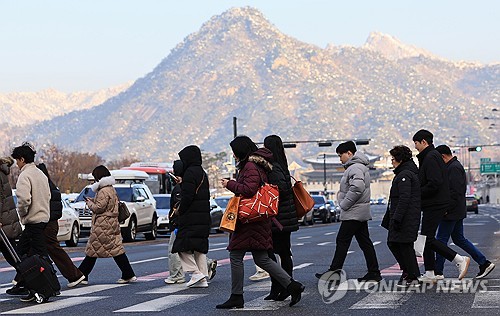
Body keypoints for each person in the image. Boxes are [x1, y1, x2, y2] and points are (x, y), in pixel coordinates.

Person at [216, 136, 304, 309]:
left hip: (249, 219)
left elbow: (249, 189)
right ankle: (293, 285)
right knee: (262, 258)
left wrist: (230, 184)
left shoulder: (249, 166)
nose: (233, 155)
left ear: (240, 151)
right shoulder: (259, 164)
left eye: (234, 151)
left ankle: (236, 296)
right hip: (259, 219)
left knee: (236, 255)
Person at [315, 141, 381, 283]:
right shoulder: (358, 167)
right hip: (359, 211)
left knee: (342, 241)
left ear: (349, 153)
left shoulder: (355, 167)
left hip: (354, 212)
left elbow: (357, 187)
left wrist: (344, 204)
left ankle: (334, 272)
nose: (340, 159)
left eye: (341, 155)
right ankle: (374, 272)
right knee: (365, 242)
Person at [412, 130, 470, 282]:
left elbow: (434, 182)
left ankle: (458, 259)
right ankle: (431, 272)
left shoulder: (431, 157)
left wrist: (417, 192)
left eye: (416, 144)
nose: (416, 147)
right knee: (426, 238)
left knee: (428, 239)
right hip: (432, 203)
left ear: (424, 142)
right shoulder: (430, 156)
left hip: (435, 203)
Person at [434, 145, 495, 279]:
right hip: (455, 210)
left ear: (443, 156)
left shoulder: (453, 168)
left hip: (451, 212)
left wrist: (445, 209)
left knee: (440, 241)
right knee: (458, 239)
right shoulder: (454, 166)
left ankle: (437, 271)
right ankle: (483, 263)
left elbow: (455, 192)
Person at [7, 142, 51, 301]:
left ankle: (44, 287)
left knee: (34, 256)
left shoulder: (25, 176)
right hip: (43, 219)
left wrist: (22, 214)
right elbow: (48, 196)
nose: (17, 164)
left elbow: (24, 199)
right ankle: (25, 283)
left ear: (22, 159)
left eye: (17, 161)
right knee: (22, 254)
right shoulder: (41, 174)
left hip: (32, 221)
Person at [78, 165, 136, 284]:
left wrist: (90, 204)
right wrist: (93, 200)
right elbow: (106, 205)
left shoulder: (103, 190)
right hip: (110, 223)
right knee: (115, 250)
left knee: (93, 250)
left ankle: (82, 274)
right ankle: (128, 273)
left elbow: (99, 208)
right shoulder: (110, 189)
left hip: (103, 224)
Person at [164, 159, 217, 285]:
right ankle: (202, 278)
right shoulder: (202, 174)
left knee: (180, 247)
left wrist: (177, 216)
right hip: (203, 219)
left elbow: (186, 199)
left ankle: (192, 273)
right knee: (199, 249)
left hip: (190, 219)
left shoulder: (188, 177)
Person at [37, 163, 86, 288]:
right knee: (41, 250)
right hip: (52, 223)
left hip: (46, 224)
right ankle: (22, 280)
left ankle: (74, 275)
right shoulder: (52, 187)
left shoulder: (44, 189)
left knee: (51, 250)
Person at [263, 135, 299, 300]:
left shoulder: (274, 167)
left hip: (280, 218)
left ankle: (284, 287)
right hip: (285, 216)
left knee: (277, 254)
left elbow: (283, 189)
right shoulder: (281, 165)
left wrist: (268, 189)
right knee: (281, 253)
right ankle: (281, 287)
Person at [384, 146, 421, 287]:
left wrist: (397, 218)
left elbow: (404, 199)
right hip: (405, 216)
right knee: (399, 244)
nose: (392, 162)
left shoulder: (405, 175)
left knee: (402, 245)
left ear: (400, 159)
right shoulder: (406, 173)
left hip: (406, 217)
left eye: (393, 159)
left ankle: (412, 275)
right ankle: (409, 273)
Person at [0, 156, 22, 268]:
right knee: (12, 253)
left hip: (3, 221)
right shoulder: (2, 172)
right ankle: (26, 277)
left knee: (12, 254)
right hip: (7, 218)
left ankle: (28, 276)